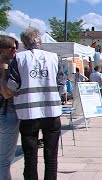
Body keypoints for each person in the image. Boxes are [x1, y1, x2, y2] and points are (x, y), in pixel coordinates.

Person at [6, 27, 66, 180]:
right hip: (51, 112)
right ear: (40, 41)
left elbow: (12, 86)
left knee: (30, 156)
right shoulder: (54, 57)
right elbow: (61, 85)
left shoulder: (19, 59)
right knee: (51, 155)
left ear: (24, 43)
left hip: (28, 113)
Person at [0, 35, 20, 180]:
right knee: (4, 160)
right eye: (12, 48)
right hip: (6, 112)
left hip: (8, 112)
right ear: (2, 50)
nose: (15, 50)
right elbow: (7, 94)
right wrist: (4, 72)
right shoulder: (5, 67)